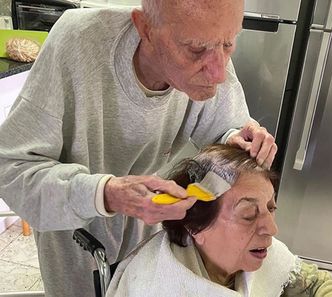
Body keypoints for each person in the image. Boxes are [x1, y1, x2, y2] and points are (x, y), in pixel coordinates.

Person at [0, 1, 278, 296]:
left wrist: (237, 138)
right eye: (196, 50)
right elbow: (12, 170)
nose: (219, 73)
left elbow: (226, 126)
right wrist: (106, 194)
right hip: (74, 238)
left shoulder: (209, 44)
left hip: (148, 237)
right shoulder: (76, 44)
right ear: (146, 28)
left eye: (229, 43)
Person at [106, 144, 332, 297]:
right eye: (249, 215)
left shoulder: (253, 250)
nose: (272, 229)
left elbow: (316, 284)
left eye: (271, 208)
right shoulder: (158, 287)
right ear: (196, 227)